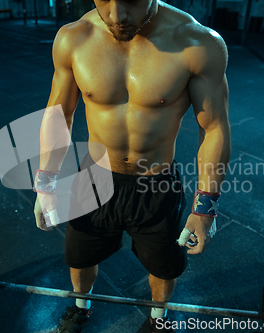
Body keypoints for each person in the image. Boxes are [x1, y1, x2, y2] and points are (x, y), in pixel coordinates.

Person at [33, 0, 231, 331]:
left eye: (132, 1)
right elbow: (58, 114)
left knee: (164, 268)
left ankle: (157, 318)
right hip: (93, 179)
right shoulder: (74, 38)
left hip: (156, 186)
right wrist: (46, 182)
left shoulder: (197, 43)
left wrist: (205, 207)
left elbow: (214, 128)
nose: (117, 16)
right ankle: (81, 307)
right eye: (104, 0)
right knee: (80, 258)